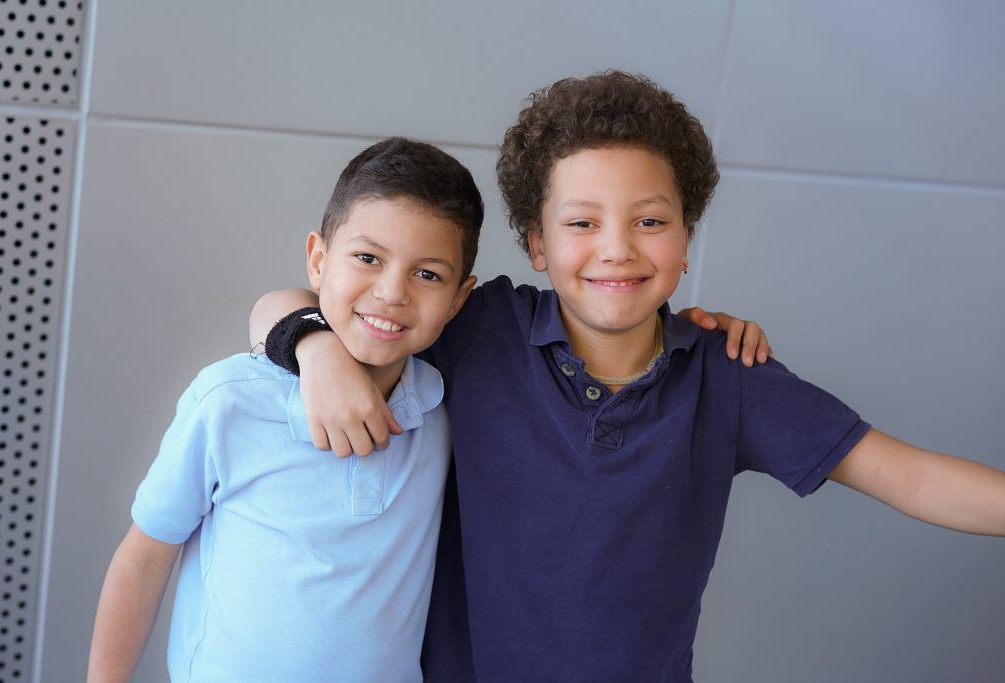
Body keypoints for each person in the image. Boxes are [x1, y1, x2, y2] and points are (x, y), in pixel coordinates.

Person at [253, 71, 1005, 681]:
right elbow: (278, 305)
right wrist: (314, 349)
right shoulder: (481, 331)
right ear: (536, 243)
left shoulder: (730, 374)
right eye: (582, 223)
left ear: (686, 235)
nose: (617, 248)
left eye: (650, 220)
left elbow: (909, 475)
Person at [88, 138, 485, 681]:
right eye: (367, 258)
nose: (393, 292)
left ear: (459, 300)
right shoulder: (230, 401)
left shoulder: (444, 413)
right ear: (318, 261)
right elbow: (142, 559)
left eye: (428, 274)